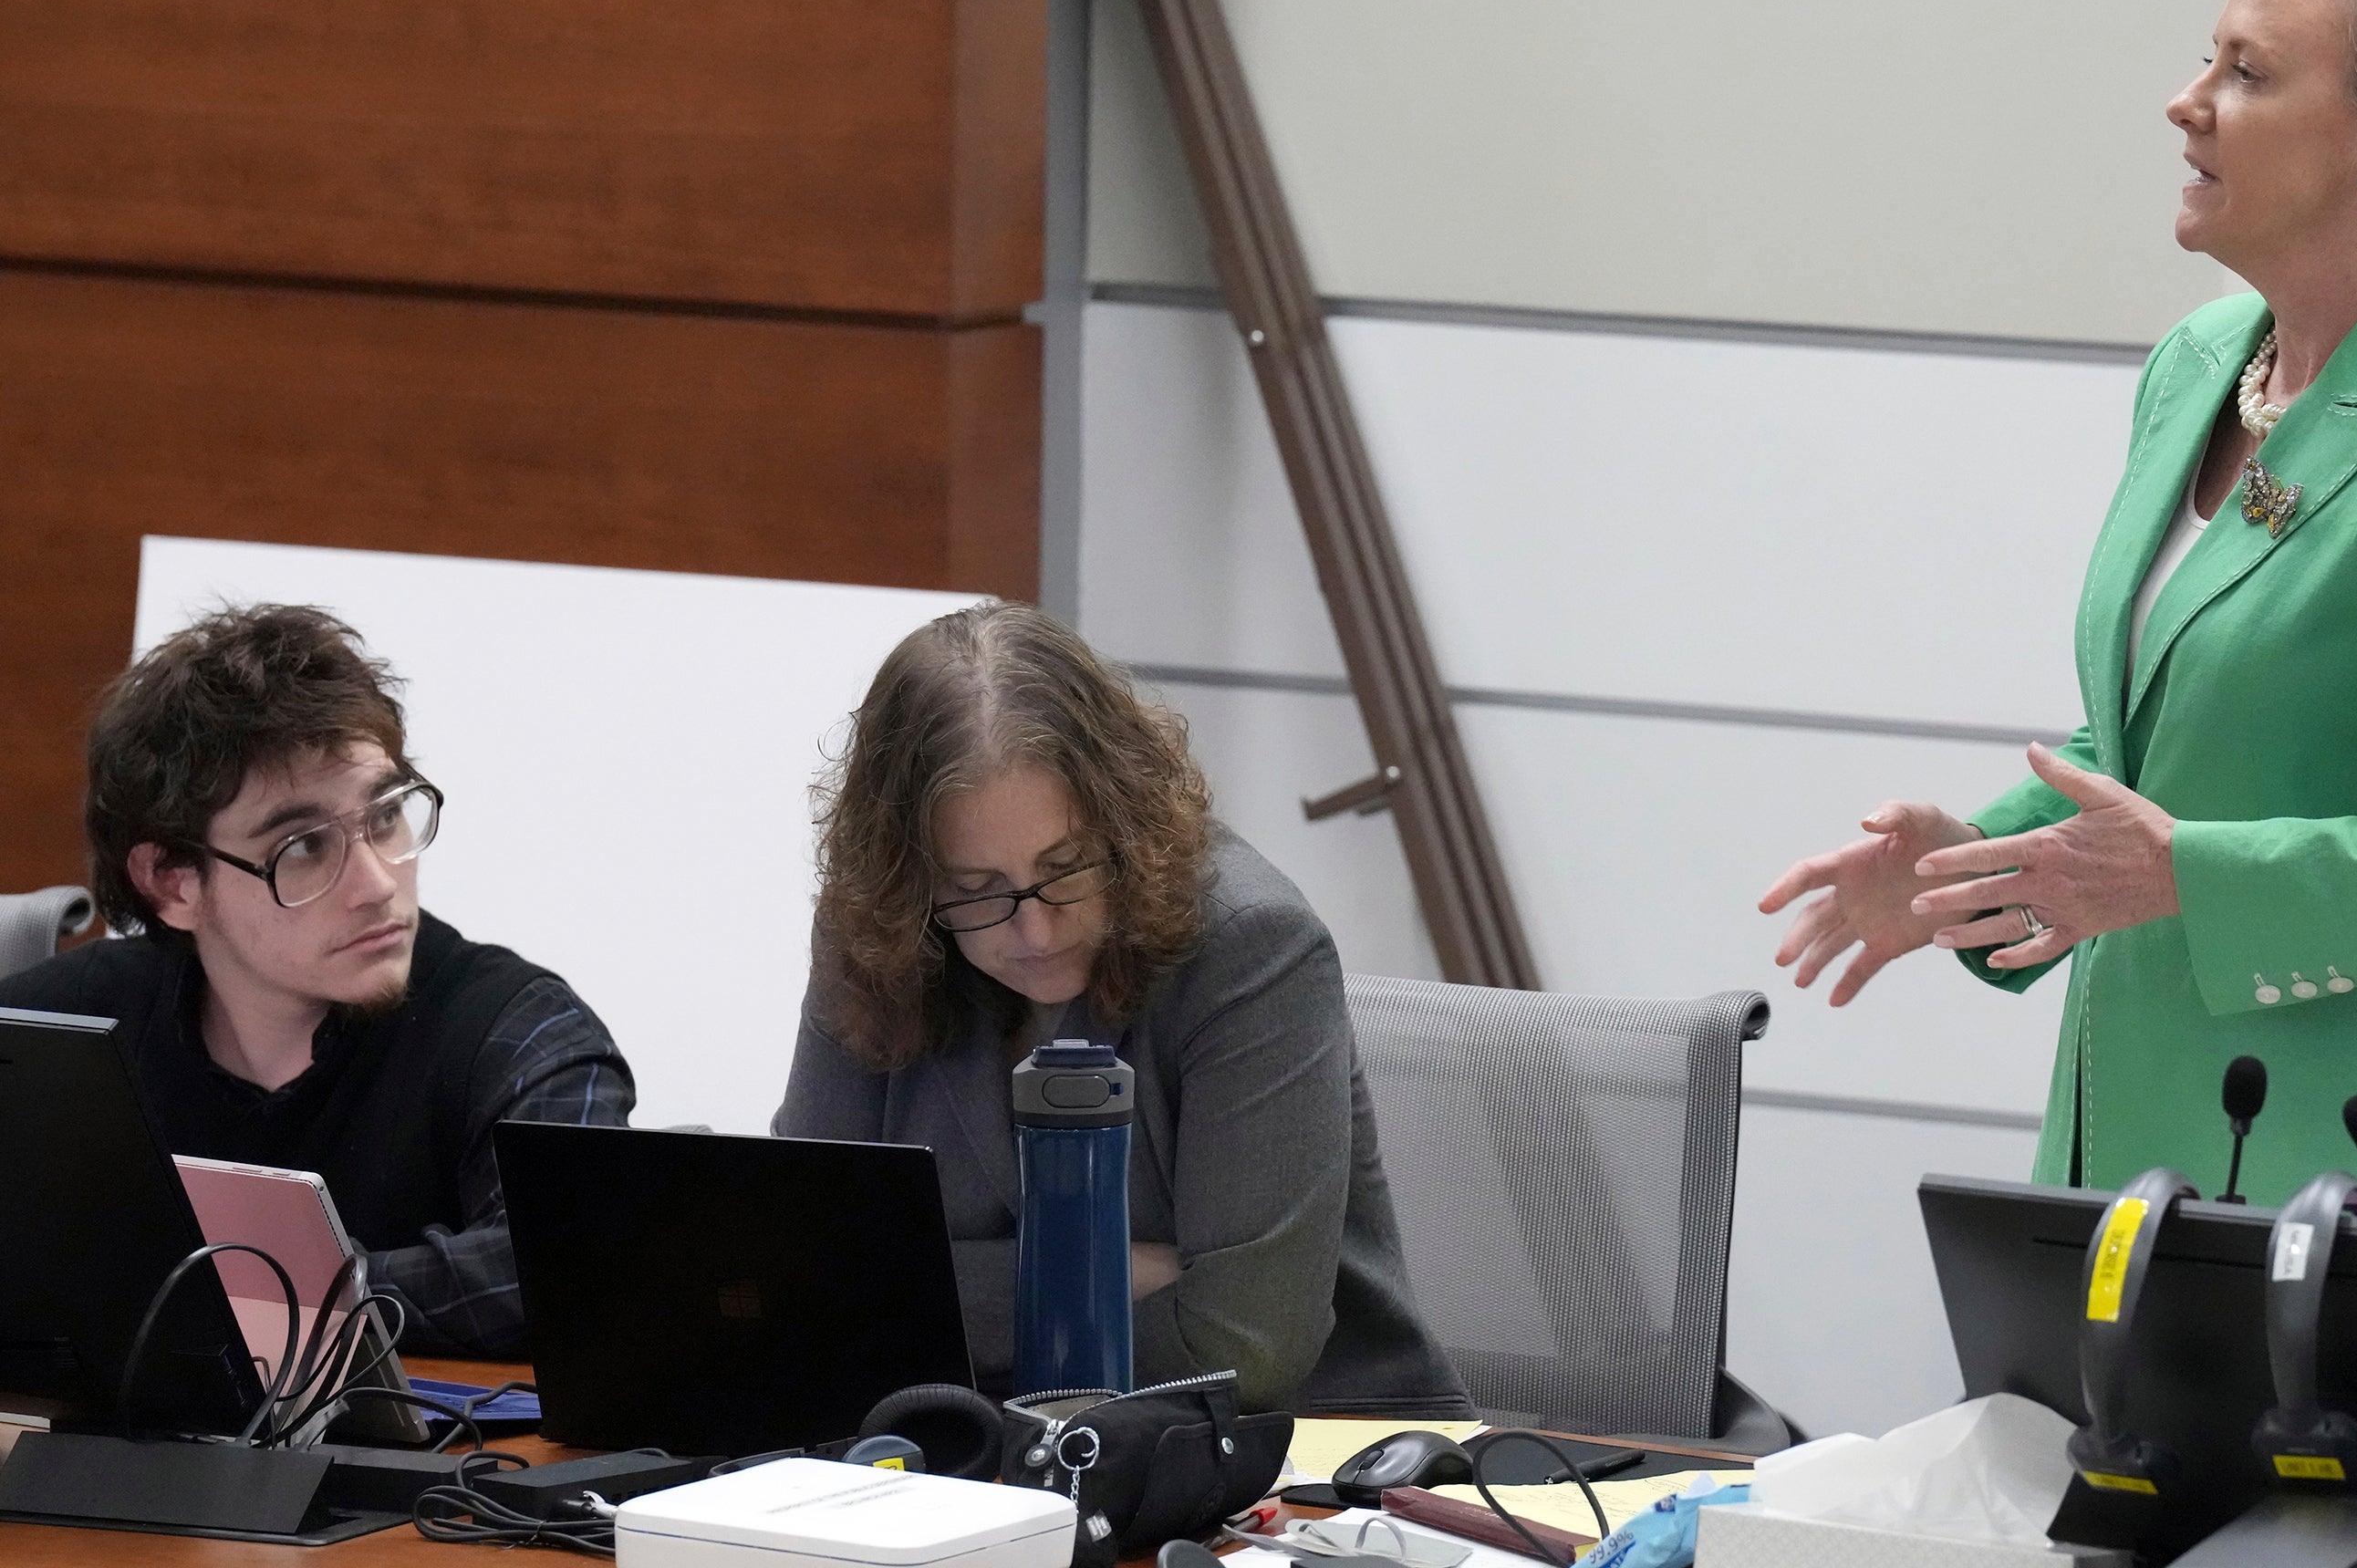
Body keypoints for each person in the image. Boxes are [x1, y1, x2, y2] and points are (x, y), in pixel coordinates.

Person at [1760, 0, 2357, 1231]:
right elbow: (2169, 739)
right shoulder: (2201, 363)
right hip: (2138, 1150)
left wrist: (2201, 881)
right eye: (2207, 59)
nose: (2187, 104)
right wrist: (1981, 866)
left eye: (2249, 72)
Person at [775, 600, 1469, 1415]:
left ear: (1125, 819)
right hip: (959, 1444)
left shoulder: (1253, 946)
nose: (1033, 930)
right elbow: (806, 1275)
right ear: (909, 876)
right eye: (975, 891)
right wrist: (1104, 1269)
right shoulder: (878, 932)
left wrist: (923, 1296)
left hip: (1292, 1460)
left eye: (1065, 868)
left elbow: (1246, 1343)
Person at [2, 603, 633, 1355]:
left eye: (388, 816)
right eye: (303, 848)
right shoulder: (71, 1027)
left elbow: (563, 1263)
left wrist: (219, 1292)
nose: (375, 883)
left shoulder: (519, 1029)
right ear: (174, 883)